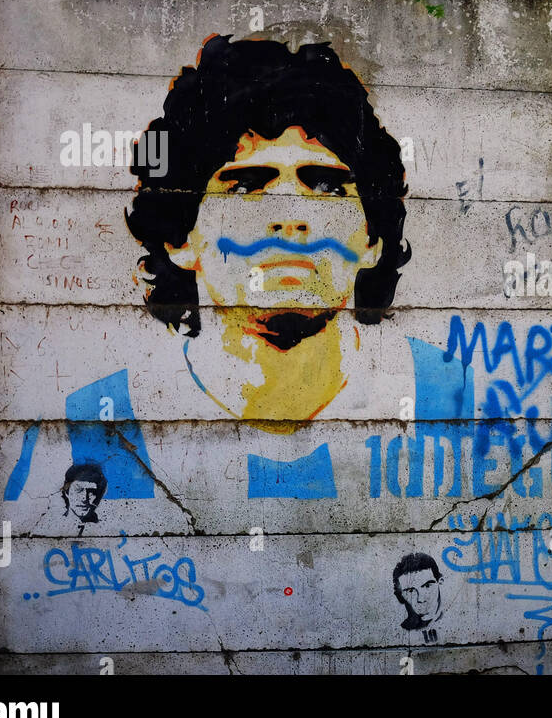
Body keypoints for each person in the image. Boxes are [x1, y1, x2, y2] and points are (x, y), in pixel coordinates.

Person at [126, 35, 412, 426]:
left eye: (327, 186)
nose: (290, 216)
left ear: (373, 239)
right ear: (179, 238)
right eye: (245, 186)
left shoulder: (449, 400)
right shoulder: (98, 424)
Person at [393, 552, 445, 642]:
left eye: (427, 586)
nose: (420, 599)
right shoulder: (399, 633)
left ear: (440, 582)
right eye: (410, 591)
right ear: (400, 595)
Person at [61, 462, 107, 535]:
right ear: (67, 491)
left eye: (92, 492)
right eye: (79, 489)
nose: (85, 498)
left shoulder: (105, 529)